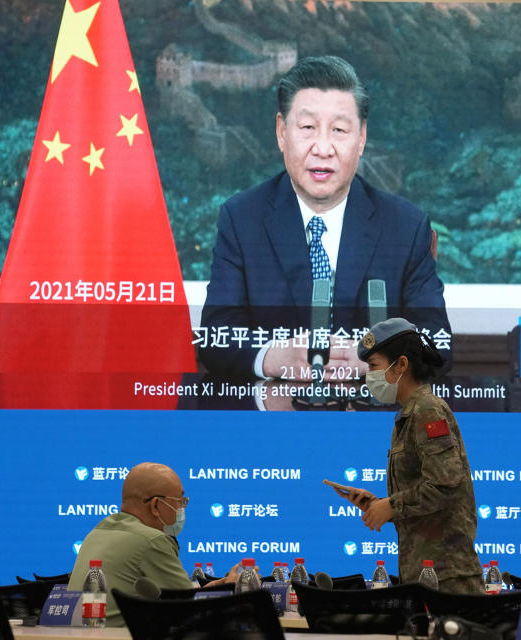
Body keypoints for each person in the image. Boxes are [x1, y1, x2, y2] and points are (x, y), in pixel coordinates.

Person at [199, 55, 451, 382]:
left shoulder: (405, 227)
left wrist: (379, 360)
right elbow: (217, 336)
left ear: (361, 138)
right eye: (307, 128)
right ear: (281, 132)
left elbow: (438, 343)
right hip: (276, 423)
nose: (323, 148)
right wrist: (274, 356)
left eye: (339, 130)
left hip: (371, 424)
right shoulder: (242, 219)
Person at [334, 317, 482, 593]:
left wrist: (391, 506)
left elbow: (444, 484)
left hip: (449, 579)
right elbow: (425, 500)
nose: (368, 375)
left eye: (373, 366)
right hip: (423, 575)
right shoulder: (408, 415)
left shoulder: (428, 410)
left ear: (401, 365)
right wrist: (379, 504)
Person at [68, 462, 240, 626]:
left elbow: (180, 598)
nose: (182, 508)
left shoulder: (96, 533)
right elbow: (191, 613)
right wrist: (232, 589)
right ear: (156, 505)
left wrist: (213, 590)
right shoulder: (152, 540)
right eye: (180, 501)